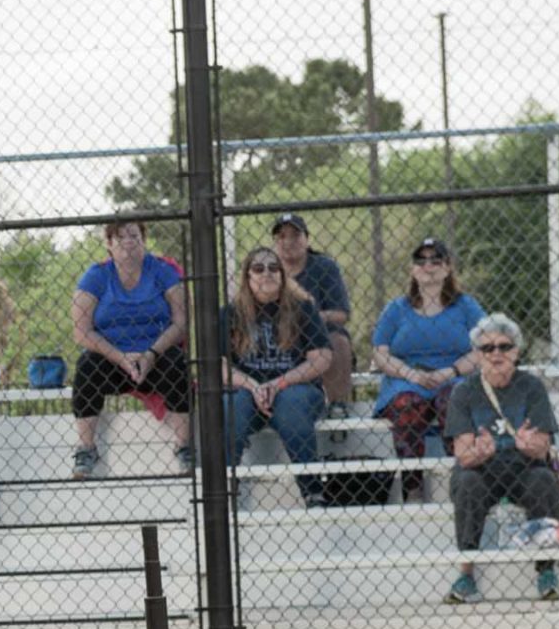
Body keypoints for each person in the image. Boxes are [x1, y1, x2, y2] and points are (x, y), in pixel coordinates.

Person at [442, 312, 559, 605]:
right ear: (477, 354)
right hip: (483, 469)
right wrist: (479, 453)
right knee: (468, 483)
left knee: (543, 480)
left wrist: (528, 446)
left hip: (523, 466)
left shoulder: (531, 387)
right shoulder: (464, 392)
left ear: (516, 351)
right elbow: (463, 454)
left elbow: (542, 446)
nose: (496, 354)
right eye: (487, 348)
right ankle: (467, 572)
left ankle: (546, 569)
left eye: (504, 346)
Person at [67, 218, 193, 477]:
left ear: (144, 242)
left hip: (155, 356)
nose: (128, 242)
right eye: (120, 237)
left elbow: (181, 323)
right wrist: (121, 357)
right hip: (113, 360)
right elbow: (81, 332)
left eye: (134, 236)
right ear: (108, 244)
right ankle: (86, 449)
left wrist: (151, 354)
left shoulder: (161, 270)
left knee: (176, 363)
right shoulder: (97, 275)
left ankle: (184, 447)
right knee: (87, 366)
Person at [369, 236, 486, 502]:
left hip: (454, 377)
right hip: (407, 378)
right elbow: (379, 352)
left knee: (454, 399)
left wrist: (452, 371)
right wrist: (410, 374)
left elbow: (485, 346)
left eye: (436, 260)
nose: (428, 266)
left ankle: (461, 479)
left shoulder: (465, 306)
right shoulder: (397, 308)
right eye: (420, 261)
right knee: (406, 403)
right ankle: (413, 487)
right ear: (412, 269)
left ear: (447, 268)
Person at [221, 247, 336, 506]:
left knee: (291, 405)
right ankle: (226, 491)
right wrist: (253, 385)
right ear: (247, 277)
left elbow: (322, 358)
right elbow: (217, 366)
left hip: (295, 388)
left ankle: (313, 492)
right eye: (258, 268)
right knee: (232, 406)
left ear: (283, 275)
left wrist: (278, 383)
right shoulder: (230, 313)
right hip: (245, 390)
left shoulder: (302, 308)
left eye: (274, 268)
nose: (267, 273)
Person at [271, 213, 355, 412]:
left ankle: (337, 406)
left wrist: (309, 318)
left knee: (338, 339)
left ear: (306, 239)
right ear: (275, 242)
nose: (288, 242)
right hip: (276, 335)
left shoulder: (324, 266)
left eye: (295, 235)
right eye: (282, 236)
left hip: (317, 335)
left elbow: (341, 314)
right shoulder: (267, 269)